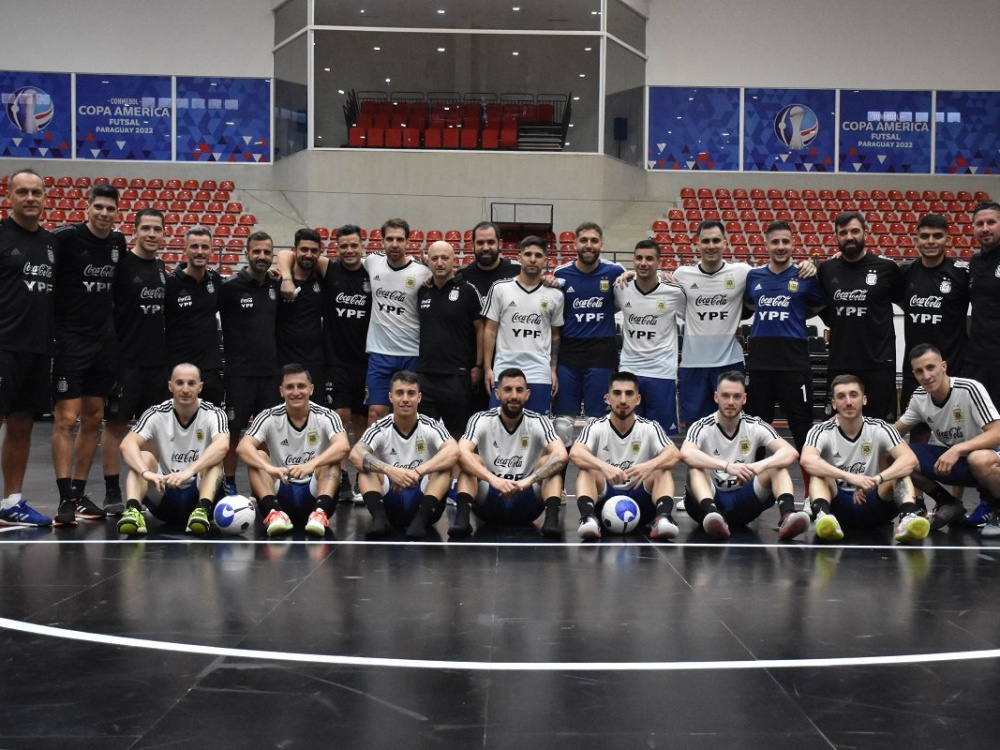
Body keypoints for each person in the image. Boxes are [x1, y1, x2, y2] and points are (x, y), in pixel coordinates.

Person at [280, 219, 429, 426]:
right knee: (342, 415)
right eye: (344, 246)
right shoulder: (331, 268)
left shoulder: (376, 267)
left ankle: (371, 450)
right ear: (337, 248)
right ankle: (342, 449)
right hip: (338, 360)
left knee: (364, 417)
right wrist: (286, 277)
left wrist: (429, 265)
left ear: (362, 247)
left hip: (369, 357)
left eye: (353, 245)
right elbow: (287, 254)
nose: (349, 250)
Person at [51, 183, 127, 525]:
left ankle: (79, 493)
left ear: (116, 212)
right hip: (70, 341)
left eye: (110, 209)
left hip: (103, 343)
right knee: (66, 419)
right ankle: (64, 497)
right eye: (99, 207)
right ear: (88, 208)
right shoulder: (65, 238)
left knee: (94, 418)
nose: (104, 213)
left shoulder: (117, 243)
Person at [801, 374, 925, 544]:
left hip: (874, 502)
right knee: (818, 473)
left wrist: (877, 480)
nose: (848, 402)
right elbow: (807, 460)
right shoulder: (821, 430)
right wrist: (851, 477)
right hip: (838, 505)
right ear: (834, 404)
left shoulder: (880, 428)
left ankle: (908, 517)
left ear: (864, 400)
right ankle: (824, 517)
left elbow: (910, 459)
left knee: (900, 472)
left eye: (853, 395)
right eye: (841, 397)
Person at [680, 371, 802, 540]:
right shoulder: (702, 426)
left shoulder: (755, 425)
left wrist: (757, 467)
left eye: (736, 396)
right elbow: (686, 453)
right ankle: (712, 514)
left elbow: (790, 452)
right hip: (708, 500)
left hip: (743, 502)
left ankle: (788, 515)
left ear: (744, 399)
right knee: (695, 467)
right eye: (725, 396)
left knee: (777, 467)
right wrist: (727, 466)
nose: (731, 402)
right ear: (716, 397)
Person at [101, 208, 169, 515]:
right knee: (116, 425)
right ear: (136, 231)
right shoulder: (122, 266)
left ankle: (146, 492)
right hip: (125, 361)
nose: (152, 234)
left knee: (151, 429)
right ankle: (112, 491)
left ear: (164, 234)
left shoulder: (161, 268)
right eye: (146, 228)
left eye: (157, 229)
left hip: (156, 362)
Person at [894, 344, 1000, 536]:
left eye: (930, 367)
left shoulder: (968, 389)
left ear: (943, 366)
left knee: (979, 458)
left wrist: (957, 449)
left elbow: (997, 433)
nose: (926, 376)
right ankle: (947, 502)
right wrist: (853, 429)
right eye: (919, 371)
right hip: (960, 463)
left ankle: (997, 508)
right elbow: (892, 433)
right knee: (897, 455)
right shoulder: (919, 396)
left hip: (990, 459)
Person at [0, 169, 57, 527]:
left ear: (45, 197)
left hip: (37, 348)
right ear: (9, 196)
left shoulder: (51, 243)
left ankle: (12, 502)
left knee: (22, 424)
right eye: (22, 192)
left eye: (36, 192)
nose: (30, 198)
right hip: (3, 345)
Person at [237, 363, 350, 538]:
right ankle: (275, 513)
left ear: (311, 389)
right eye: (290, 387)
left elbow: (343, 446)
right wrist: (270, 468)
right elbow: (243, 447)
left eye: (301, 386)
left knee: (332, 461)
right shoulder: (268, 416)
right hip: (281, 490)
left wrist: (311, 464)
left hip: (314, 492)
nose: (296, 392)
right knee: (258, 456)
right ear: (281, 391)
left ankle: (319, 514)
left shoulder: (327, 415)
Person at [117, 363, 229, 536]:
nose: (185, 389)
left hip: (198, 493)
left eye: (191, 383)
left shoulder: (213, 413)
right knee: (143, 457)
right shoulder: (156, 413)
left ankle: (201, 510)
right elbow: (127, 444)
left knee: (215, 461)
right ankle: (133, 511)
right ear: (170, 386)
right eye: (179, 383)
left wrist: (188, 472)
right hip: (165, 495)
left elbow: (222, 445)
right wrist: (146, 473)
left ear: (200, 387)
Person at [744, 220, 825, 455]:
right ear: (766, 244)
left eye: (785, 242)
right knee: (756, 429)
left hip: (794, 364)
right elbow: (750, 305)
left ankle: (811, 479)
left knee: (802, 429)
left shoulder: (805, 275)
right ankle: (754, 479)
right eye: (775, 242)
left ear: (793, 244)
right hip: (760, 364)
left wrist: (794, 314)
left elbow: (817, 307)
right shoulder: (754, 276)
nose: (780, 247)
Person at [455, 368, 567, 538]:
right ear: (497, 394)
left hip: (526, 502)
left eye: (519, 390)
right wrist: (494, 480)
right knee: (471, 461)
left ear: (527, 395)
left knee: (550, 464)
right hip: (489, 502)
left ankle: (551, 521)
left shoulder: (539, 421)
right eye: (507, 390)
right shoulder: (481, 419)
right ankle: (462, 520)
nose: (514, 396)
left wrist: (527, 481)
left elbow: (561, 455)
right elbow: (461, 452)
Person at [570, 371, 682, 540]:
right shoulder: (596, 426)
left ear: (638, 399)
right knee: (587, 469)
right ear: (608, 398)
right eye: (617, 393)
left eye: (629, 393)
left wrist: (650, 465)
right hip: (605, 498)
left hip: (640, 497)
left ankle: (663, 518)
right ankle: (588, 518)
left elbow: (673, 454)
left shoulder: (650, 427)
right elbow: (576, 452)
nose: (623, 400)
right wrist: (604, 466)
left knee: (662, 469)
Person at [350, 370, 459, 539]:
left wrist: (418, 471)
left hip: (423, 502)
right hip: (391, 502)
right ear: (390, 397)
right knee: (365, 468)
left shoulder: (430, 425)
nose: (405, 399)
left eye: (411, 393)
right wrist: (390, 470)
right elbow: (355, 453)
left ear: (419, 398)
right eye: (399, 393)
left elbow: (453, 450)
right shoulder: (380, 427)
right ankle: (379, 519)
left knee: (443, 469)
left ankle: (420, 521)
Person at [817, 211, 903, 422]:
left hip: (878, 365)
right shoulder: (826, 270)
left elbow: (904, 302)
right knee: (839, 426)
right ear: (836, 236)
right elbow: (825, 311)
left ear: (865, 233)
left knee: (881, 427)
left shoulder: (886, 268)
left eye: (855, 231)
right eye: (843, 232)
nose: (849, 237)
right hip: (840, 363)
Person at [218, 231, 281, 495]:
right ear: (247, 254)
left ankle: (262, 486)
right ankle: (229, 483)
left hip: (270, 374)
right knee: (233, 432)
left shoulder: (275, 286)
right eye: (257, 251)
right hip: (239, 375)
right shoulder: (229, 288)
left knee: (266, 433)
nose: (262, 256)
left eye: (266, 252)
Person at [672, 221, 753, 425]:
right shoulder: (681, 275)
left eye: (716, 240)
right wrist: (630, 274)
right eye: (706, 241)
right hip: (693, 363)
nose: (711, 245)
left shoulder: (742, 272)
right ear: (697, 244)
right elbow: (652, 284)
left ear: (725, 243)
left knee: (732, 423)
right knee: (695, 427)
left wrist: (805, 266)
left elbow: (773, 273)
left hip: (729, 363)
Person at [483, 236, 564, 415]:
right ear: (519, 257)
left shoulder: (555, 295)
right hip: (504, 369)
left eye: (538, 255)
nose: (533, 259)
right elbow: (490, 331)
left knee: (537, 426)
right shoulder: (500, 289)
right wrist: (487, 368)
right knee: (499, 425)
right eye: (528, 254)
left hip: (539, 372)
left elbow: (555, 335)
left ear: (546, 260)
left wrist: (552, 369)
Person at [552, 222, 624, 418]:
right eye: (583, 240)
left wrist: (660, 276)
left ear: (602, 244)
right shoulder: (561, 273)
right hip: (569, 353)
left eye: (594, 240)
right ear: (575, 243)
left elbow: (642, 284)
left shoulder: (615, 271)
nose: (589, 245)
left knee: (598, 418)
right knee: (563, 420)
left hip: (601, 352)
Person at [614, 239, 686, 435]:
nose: (643, 263)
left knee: (660, 436)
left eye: (649, 258)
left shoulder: (674, 292)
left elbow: (694, 320)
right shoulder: (621, 288)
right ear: (633, 261)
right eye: (639, 258)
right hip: (629, 371)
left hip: (661, 372)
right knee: (626, 433)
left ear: (658, 262)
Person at [898, 214, 969, 413]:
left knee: (955, 424)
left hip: (952, 368)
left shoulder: (961, 273)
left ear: (947, 239)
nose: (930, 241)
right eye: (925, 236)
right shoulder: (905, 272)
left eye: (937, 236)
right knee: (915, 425)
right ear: (917, 240)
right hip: (915, 370)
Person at [417, 240, 483, 438]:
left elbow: (481, 329)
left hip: (457, 375)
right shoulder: (423, 291)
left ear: (454, 260)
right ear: (428, 261)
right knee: (425, 434)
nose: (439, 263)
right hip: (426, 374)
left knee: (457, 433)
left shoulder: (468, 290)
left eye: (445, 258)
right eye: (434, 258)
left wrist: (478, 365)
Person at [164, 226, 225, 407]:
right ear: (185, 249)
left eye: (205, 247)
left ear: (211, 250)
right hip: (178, 370)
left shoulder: (216, 281)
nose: (199, 251)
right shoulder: (170, 284)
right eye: (194, 246)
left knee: (211, 422)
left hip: (209, 371)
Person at [276, 229, 325, 388]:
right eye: (304, 249)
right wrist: (286, 279)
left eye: (314, 251)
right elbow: (283, 254)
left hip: (314, 362)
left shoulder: (322, 279)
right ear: (294, 250)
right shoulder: (278, 280)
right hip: (283, 360)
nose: (309, 254)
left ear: (320, 253)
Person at [966, 201, 1000, 406]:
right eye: (980, 224)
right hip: (977, 359)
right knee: (979, 418)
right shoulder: (975, 262)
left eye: (991, 222)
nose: (985, 228)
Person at [453, 221, 520, 300]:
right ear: (472, 245)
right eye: (480, 243)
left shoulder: (517, 271)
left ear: (500, 244)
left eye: (491, 242)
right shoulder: (462, 275)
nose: (485, 248)